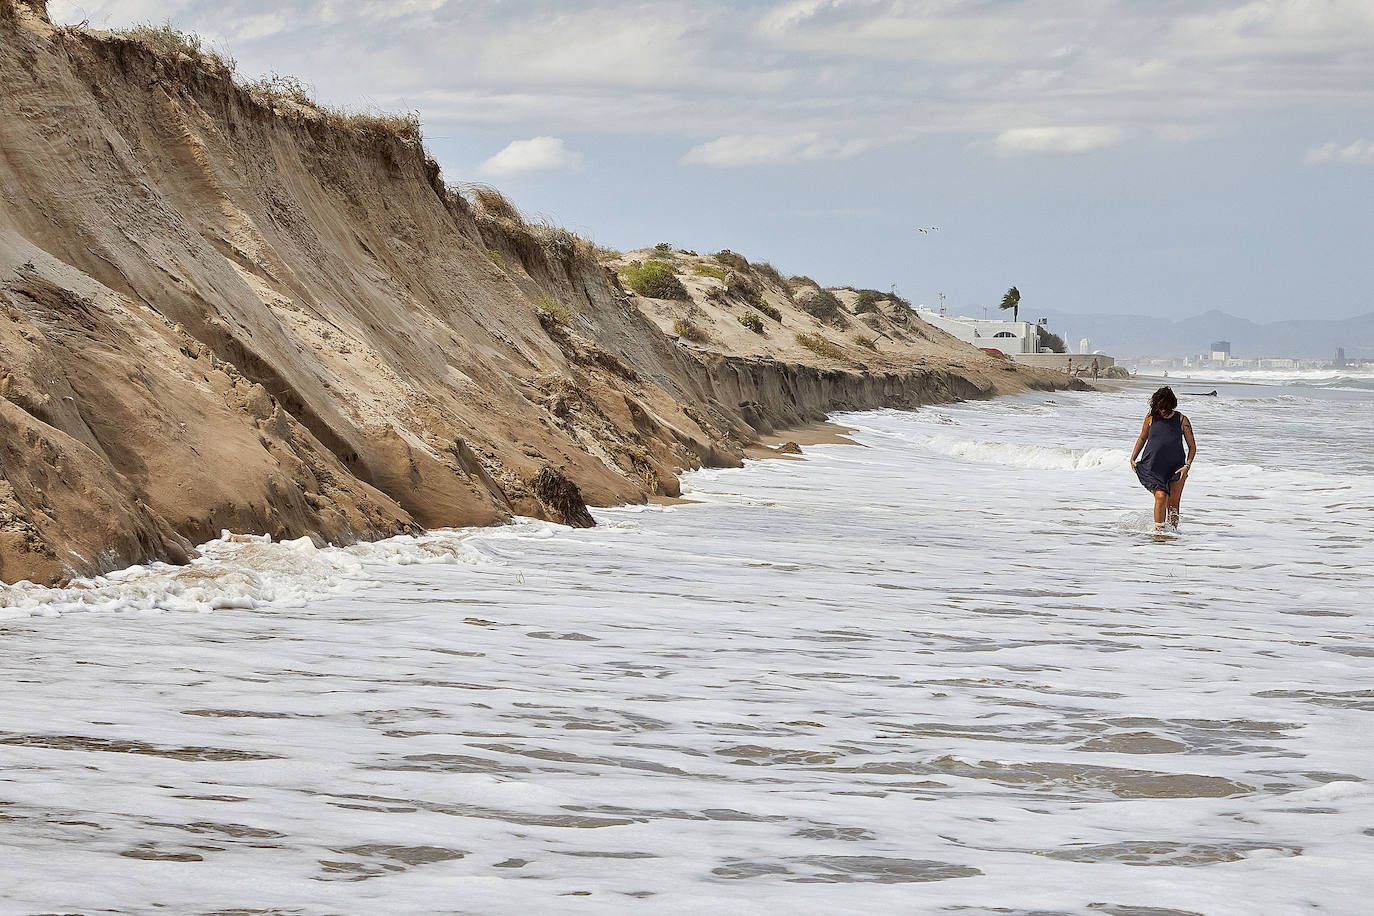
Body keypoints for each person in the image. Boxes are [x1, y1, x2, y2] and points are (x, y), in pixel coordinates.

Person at [1129, 386, 1197, 530]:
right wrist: (1133, 457)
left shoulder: (1181, 419)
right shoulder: (1150, 418)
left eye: (1165, 407)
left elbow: (1192, 447)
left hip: (1177, 468)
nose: (1162, 410)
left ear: (1171, 404)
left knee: (1173, 505)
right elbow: (1142, 438)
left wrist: (1187, 465)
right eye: (1159, 407)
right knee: (1160, 496)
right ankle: (1159, 532)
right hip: (1154, 466)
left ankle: (1171, 535)